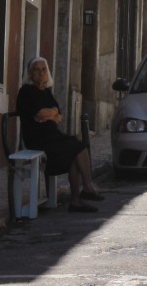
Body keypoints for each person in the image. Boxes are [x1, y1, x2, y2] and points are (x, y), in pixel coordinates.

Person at [16, 56, 103, 214]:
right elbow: (41, 114)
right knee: (77, 148)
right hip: (38, 139)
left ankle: (77, 200)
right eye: (37, 70)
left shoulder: (46, 92)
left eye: (44, 70)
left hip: (53, 136)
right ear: (29, 74)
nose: (41, 73)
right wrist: (52, 113)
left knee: (77, 148)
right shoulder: (26, 91)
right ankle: (87, 188)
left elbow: (59, 116)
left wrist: (52, 113)